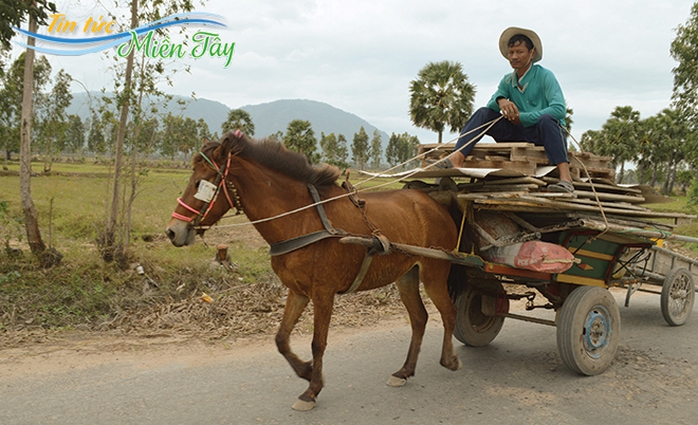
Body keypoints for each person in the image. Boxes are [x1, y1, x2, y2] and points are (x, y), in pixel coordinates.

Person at [440, 27, 573, 193]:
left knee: (546, 119)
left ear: (532, 53)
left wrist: (523, 118)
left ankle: (565, 179)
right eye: (511, 52)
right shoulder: (508, 81)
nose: (514, 56)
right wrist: (501, 100)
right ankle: (457, 157)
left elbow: (559, 110)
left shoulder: (545, 76)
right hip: (518, 133)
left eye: (519, 51)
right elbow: (490, 107)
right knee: (483, 113)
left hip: (543, 135)